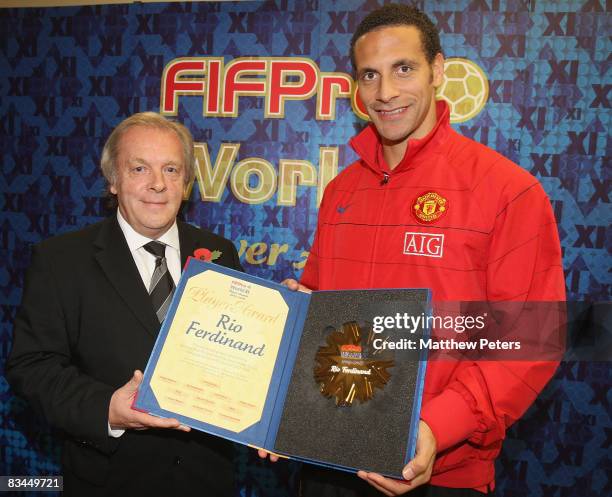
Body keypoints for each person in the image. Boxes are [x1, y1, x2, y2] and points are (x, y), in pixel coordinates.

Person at [279, 4, 566, 497]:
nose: (385, 92)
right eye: (370, 75)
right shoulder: (342, 190)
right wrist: (291, 322)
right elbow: (324, 310)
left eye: (403, 69)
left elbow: (531, 338)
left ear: (438, 70)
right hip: (328, 460)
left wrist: (435, 427)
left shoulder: (505, 190)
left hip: (441, 472)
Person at [6, 112, 242, 497]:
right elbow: (31, 366)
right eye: (139, 168)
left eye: (171, 169)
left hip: (205, 478)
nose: (157, 184)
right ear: (113, 180)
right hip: (110, 480)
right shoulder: (61, 260)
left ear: (186, 182)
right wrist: (108, 408)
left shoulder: (220, 252)